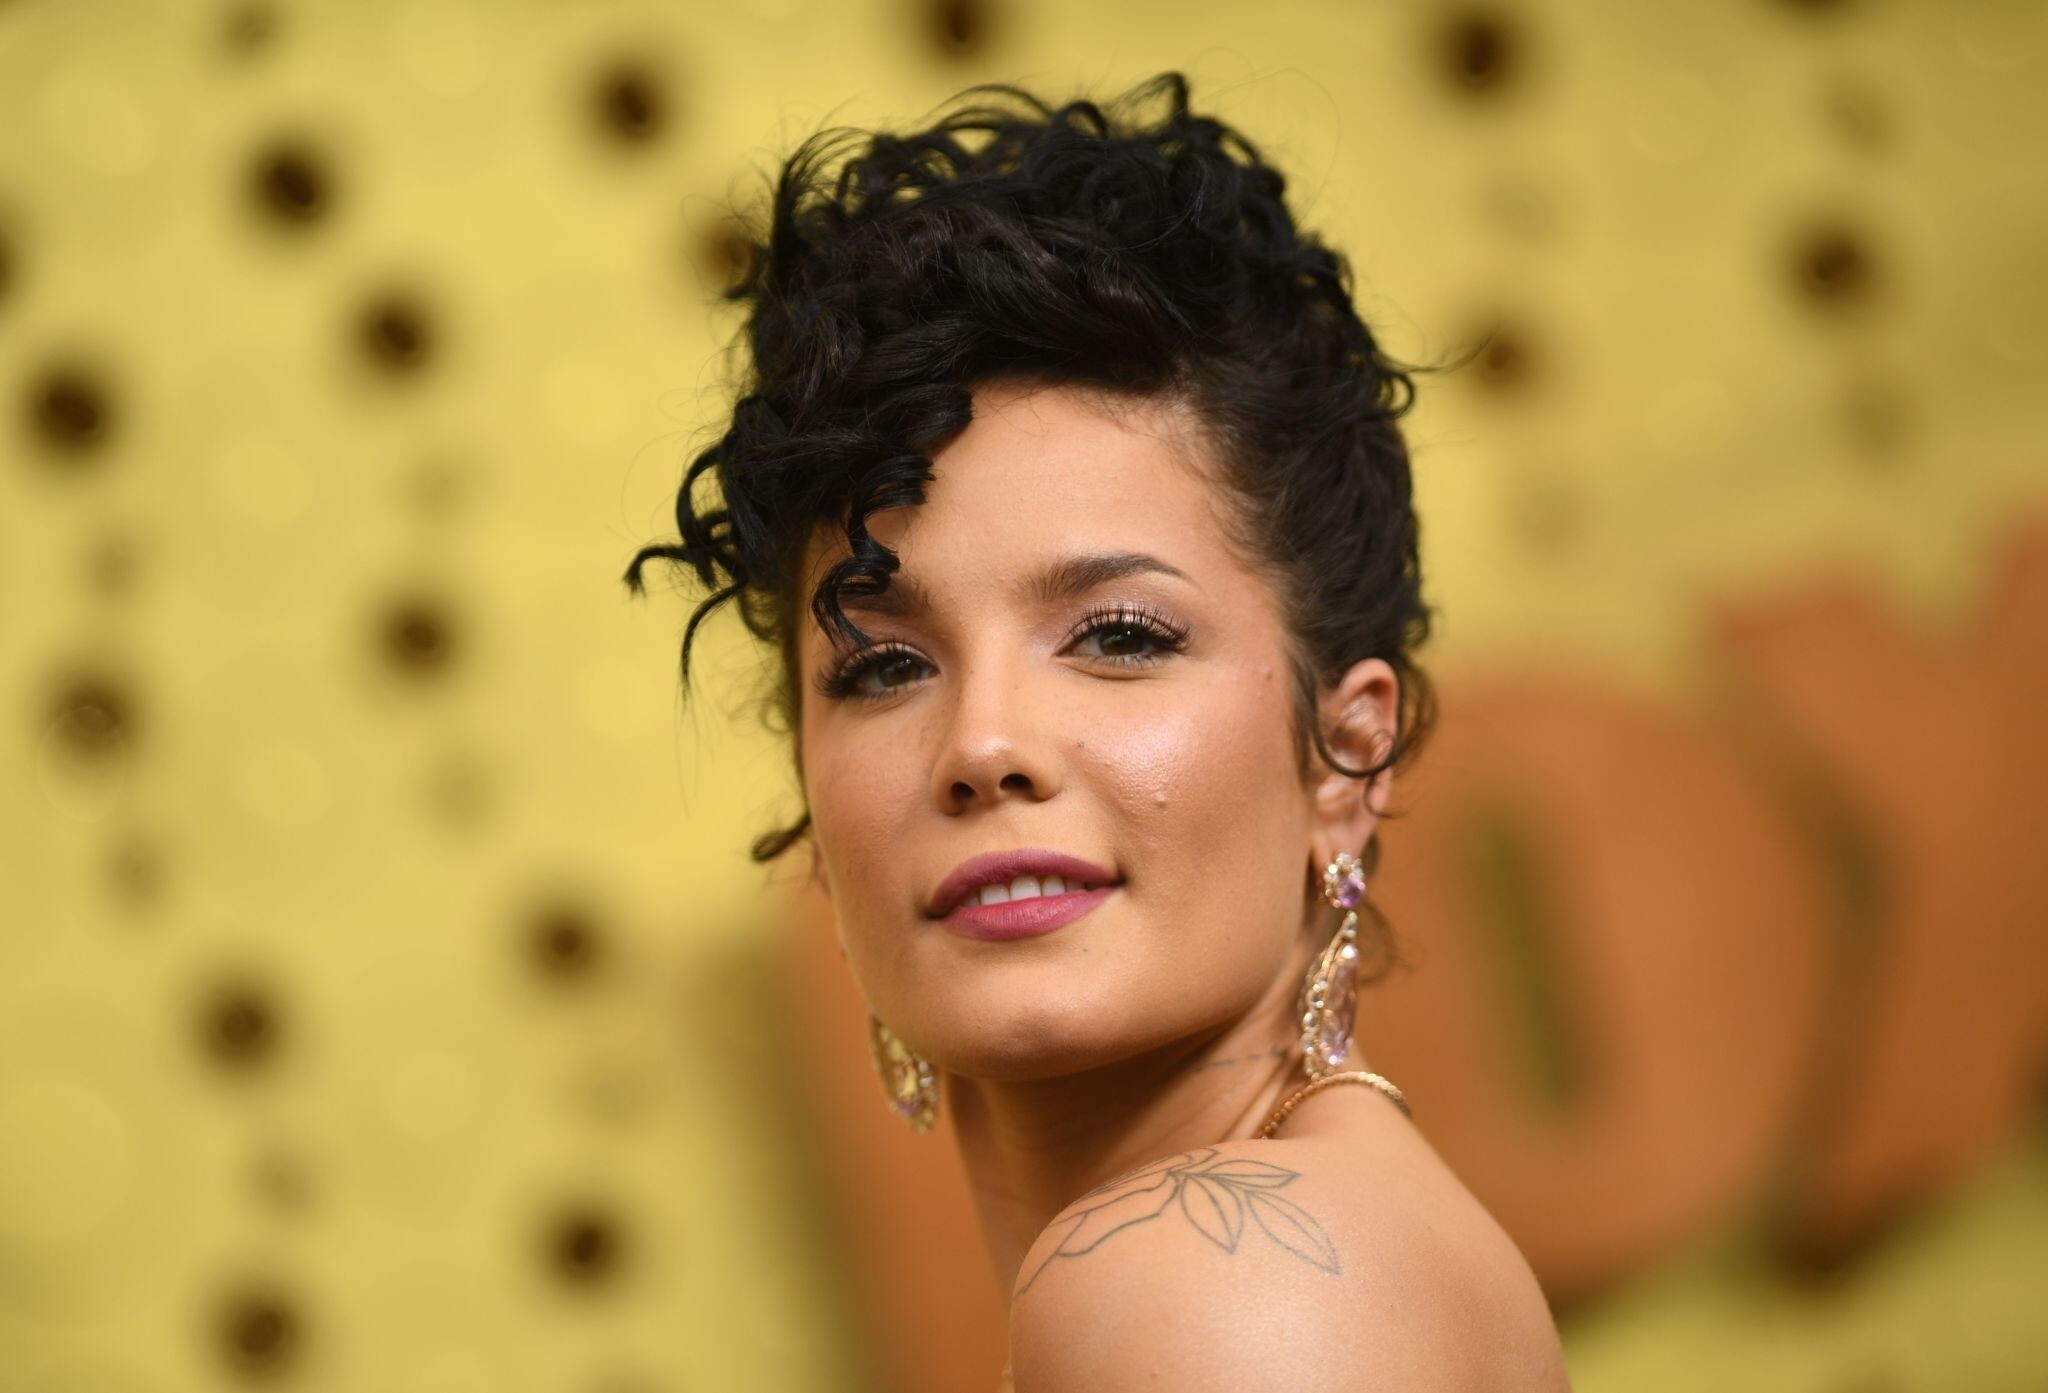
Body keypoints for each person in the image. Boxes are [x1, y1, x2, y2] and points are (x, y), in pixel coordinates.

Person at [626, 70, 1570, 1391]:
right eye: (884, 665)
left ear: (1347, 755)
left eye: (1120, 636)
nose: (983, 745)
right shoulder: (1343, 1244)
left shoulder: (1213, 1288)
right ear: (814, 822)